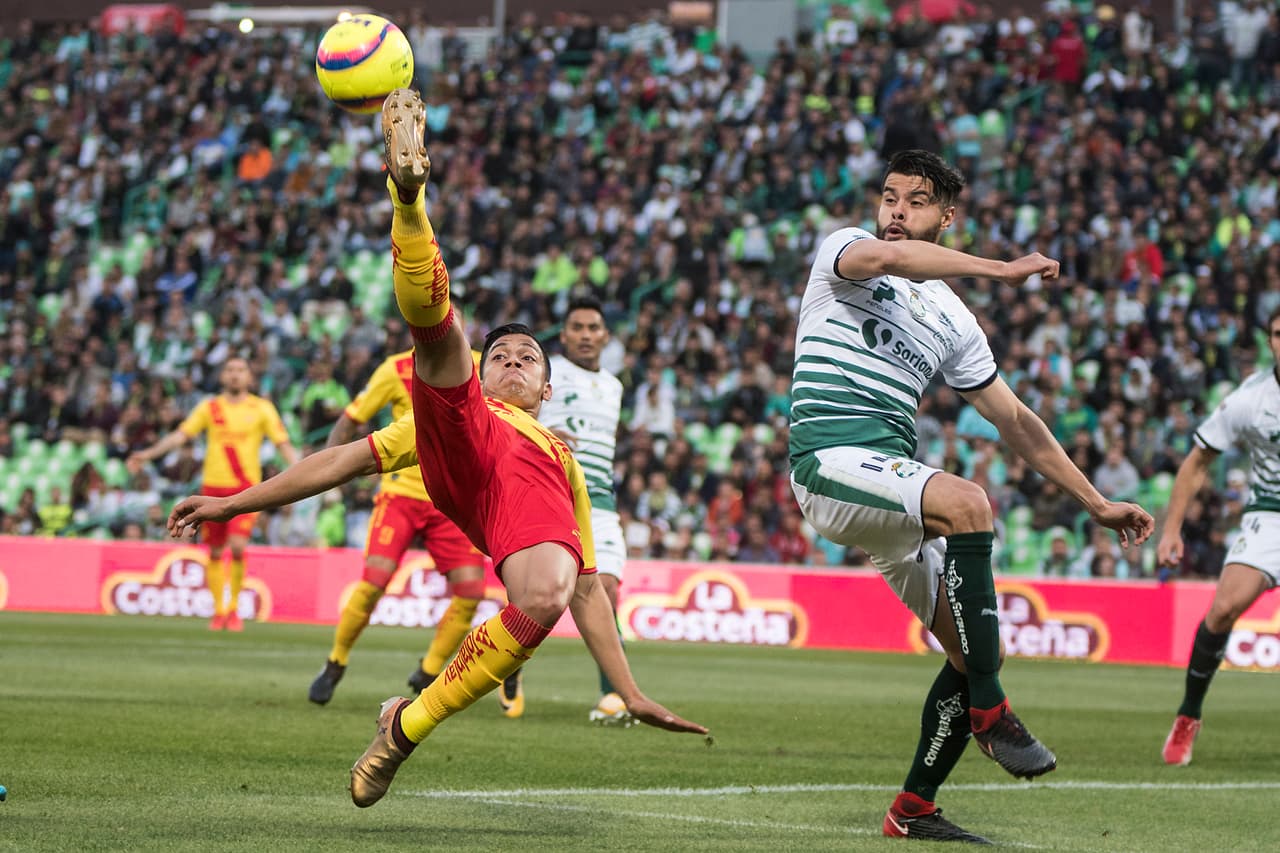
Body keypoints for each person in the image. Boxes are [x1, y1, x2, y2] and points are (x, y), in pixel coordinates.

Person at [788, 149, 1153, 843]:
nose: (896, 211)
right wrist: (1004, 267)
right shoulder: (844, 250)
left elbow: (1016, 421)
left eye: (916, 201)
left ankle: (914, 806)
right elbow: (893, 261)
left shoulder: (953, 317)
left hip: (887, 490)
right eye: (889, 196)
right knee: (968, 502)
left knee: (973, 653)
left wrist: (1094, 501)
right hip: (828, 460)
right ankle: (992, 713)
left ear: (945, 216)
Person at [362, 89, 704, 807]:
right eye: (508, 355)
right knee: (438, 330)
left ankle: (435, 705)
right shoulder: (488, 397)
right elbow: (354, 454)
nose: (521, 361)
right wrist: (239, 500)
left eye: (530, 357)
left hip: (561, 499)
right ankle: (409, 200)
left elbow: (579, 583)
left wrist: (633, 690)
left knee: (572, 589)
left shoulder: (597, 402)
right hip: (471, 472)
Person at [305, 347, 490, 710]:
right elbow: (351, 418)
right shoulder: (395, 367)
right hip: (401, 494)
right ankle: (336, 662)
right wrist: (325, 474)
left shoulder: (483, 365)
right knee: (374, 581)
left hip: (453, 499)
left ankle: (429, 671)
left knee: (470, 591)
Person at [1157, 307, 1280, 767]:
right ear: (1269, 341)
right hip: (1270, 515)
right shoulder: (1250, 399)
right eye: (1277, 333)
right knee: (1224, 608)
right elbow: (1197, 461)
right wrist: (1171, 530)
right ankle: (1188, 715)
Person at [129, 356, 298, 630]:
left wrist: (304, 470)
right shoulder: (209, 407)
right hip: (212, 489)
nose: (234, 375)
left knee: (238, 547)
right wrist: (147, 454)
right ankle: (220, 611)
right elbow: (179, 436)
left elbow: (283, 444)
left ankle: (234, 611)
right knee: (216, 551)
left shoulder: (262, 408)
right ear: (222, 376)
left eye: (240, 370)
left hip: (246, 490)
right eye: (230, 370)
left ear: (249, 377)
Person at [536, 296, 630, 723]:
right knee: (540, 598)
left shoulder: (614, 386)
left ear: (606, 336)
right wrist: (539, 430)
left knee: (606, 589)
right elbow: (507, 410)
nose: (586, 335)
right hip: (554, 494)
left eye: (594, 327)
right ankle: (507, 665)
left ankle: (613, 697)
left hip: (601, 500)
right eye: (578, 327)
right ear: (564, 335)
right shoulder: (547, 372)